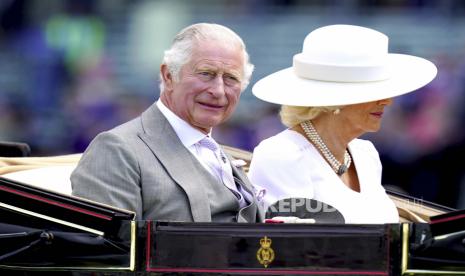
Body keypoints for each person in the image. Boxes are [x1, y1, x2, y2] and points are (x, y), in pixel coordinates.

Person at [71, 23, 264, 223]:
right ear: (169, 75)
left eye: (231, 78)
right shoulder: (116, 150)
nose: (219, 91)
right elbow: (106, 251)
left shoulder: (223, 155)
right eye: (206, 73)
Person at [248, 24, 437, 224]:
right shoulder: (282, 155)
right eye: (374, 92)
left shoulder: (366, 154)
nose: (387, 101)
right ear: (334, 101)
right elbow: (290, 247)